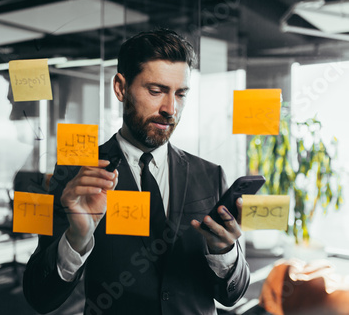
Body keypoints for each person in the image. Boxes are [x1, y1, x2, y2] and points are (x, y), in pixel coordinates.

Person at [23, 28, 250, 315]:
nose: (171, 108)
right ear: (120, 88)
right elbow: (40, 296)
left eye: (181, 94)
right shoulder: (76, 175)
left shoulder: (210, 174)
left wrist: (224, 253)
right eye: (156, 91)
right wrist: (76, 238)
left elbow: (232, 296)